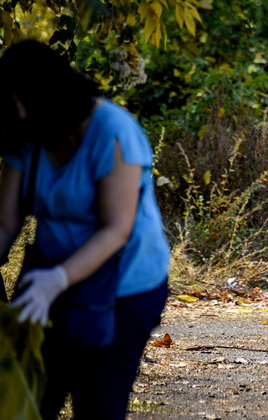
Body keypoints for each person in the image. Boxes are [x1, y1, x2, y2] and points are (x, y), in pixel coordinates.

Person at [0, 40, 170, 419]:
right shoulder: (24, 133)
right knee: (31, 395)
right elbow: (5, 222)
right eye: (13, 105)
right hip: (46, 279)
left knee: (98, 401)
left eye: (26, 100)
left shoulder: (113, 131)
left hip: (124, 289)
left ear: (53, 94)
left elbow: (116, 229)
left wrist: (57, 280)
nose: (22, 113)